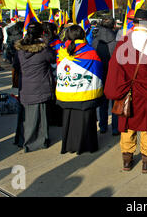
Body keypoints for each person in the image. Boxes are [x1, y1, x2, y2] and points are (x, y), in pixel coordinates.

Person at [105, 9, 147, 174]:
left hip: (128, 92)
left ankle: (127, 160)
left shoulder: (122, 42)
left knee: (127, 125)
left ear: (134, 23)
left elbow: (114, 67)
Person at [56, 25, 104, 155]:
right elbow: (98, 69)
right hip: (85, 94)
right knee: (86, 121)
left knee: (68, 120)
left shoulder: (62, 51)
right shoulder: (90, 52)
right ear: (83, 35)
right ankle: (86, 145)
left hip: (66, 93)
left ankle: (69, 145)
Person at [14, 22, 56, 153]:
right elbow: (52, 58)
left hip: (25, 85)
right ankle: (36, 142)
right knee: (39, 117)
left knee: (25, 116)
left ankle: (22, 139)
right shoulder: (43, 49)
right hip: (40, 85)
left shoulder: (20, 50)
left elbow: (16, 65)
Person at [91, 17, 120, 136]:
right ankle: (115, 127)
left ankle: (103, 126)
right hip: (113, 74)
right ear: (113, 26)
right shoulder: (116, 41)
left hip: (99, 73)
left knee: (102, 102)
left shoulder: (94, 40)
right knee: (115, 101)